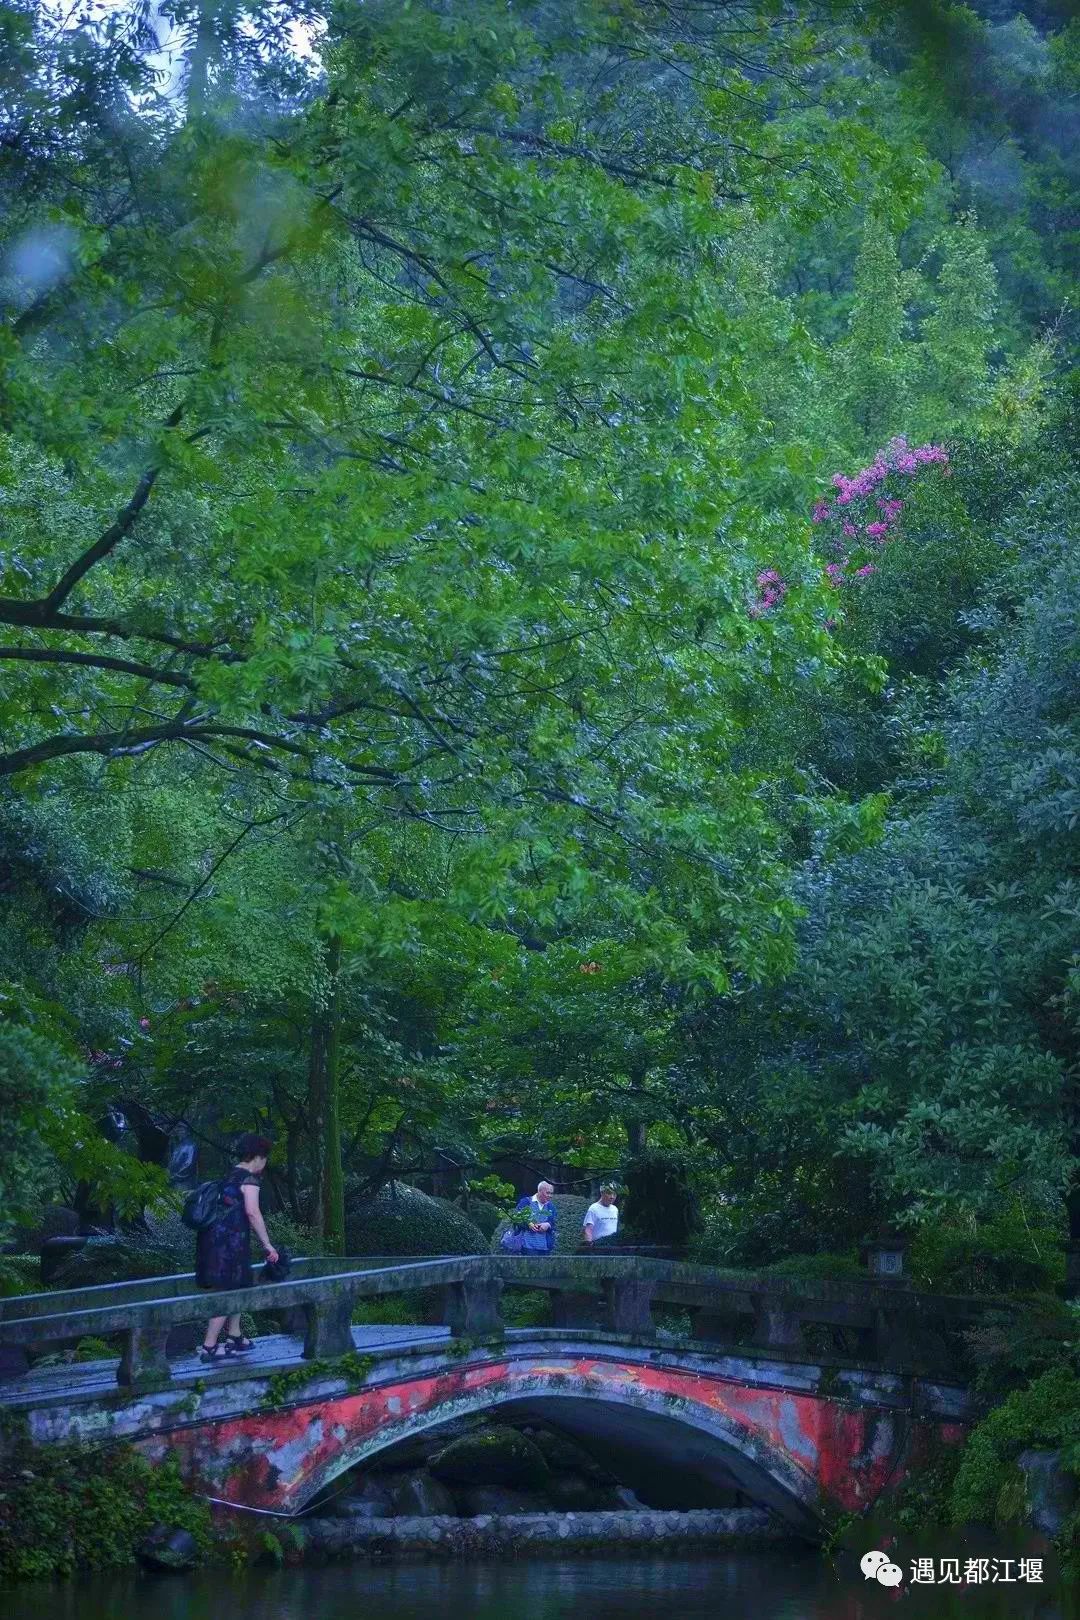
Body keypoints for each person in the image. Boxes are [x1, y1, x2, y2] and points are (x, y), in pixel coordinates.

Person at [197, 1133, 278, 1362]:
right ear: (259, 1157)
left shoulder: (230, 1175)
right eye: (265, 1159)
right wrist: (267, 1245)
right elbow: (253, 1212)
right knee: (227, 1291)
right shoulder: (249, 1180)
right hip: (230, 1244)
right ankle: (210, 1346)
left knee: (238, 1286)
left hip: (215, 1241)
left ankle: (234, 1335)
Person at [515, 1181, 557, 1254]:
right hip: (526, 1246)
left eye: (551, 1193)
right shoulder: (526, 1202)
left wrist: (548, 1225)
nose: (550, 1196)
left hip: (544, 1247)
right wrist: (528, 1224)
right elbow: (516, 1219)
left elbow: (554, 1223)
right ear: (539, 1191)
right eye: (548, 1193)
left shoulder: (551, 1206)